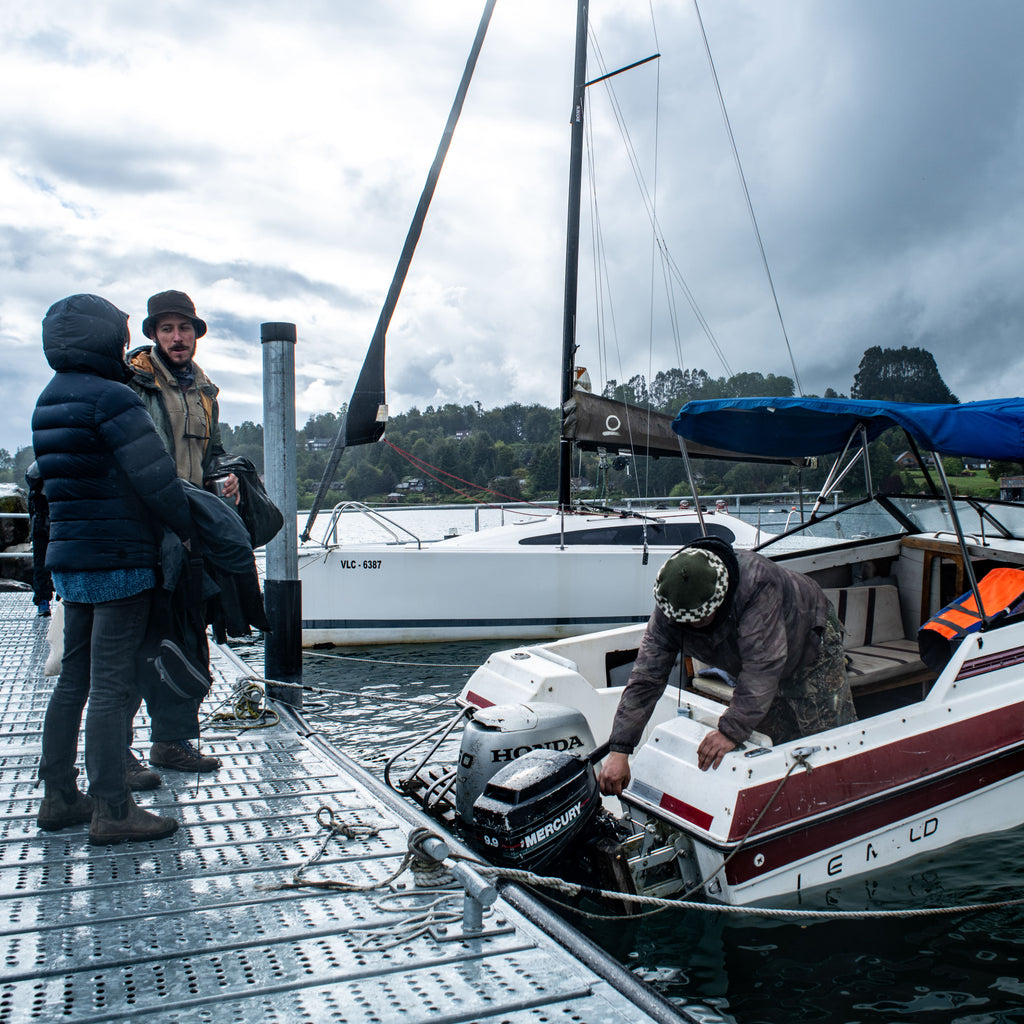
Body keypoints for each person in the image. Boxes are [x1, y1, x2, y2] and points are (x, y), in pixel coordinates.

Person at [31, 292, 193, 844]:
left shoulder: (49, 399)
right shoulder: (114, 399)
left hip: (72, 563)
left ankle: (58, 796)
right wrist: (189, 528)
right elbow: (156, 481)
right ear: (105, 339)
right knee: (110, 686)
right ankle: (112, 807)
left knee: (73, 679)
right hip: (119, 560)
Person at [598, 537, 857, 796]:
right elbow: (646, 677)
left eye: (697, 620)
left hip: (808, 640)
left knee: (828, 742)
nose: (687, 627)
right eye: (682, 621)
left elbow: (763, 665)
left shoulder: (757, 584)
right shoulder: (672, 600)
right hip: (755, 663)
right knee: (768, 740)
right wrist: (620, 749)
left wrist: (730, 732)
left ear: (720, 600)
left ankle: (845, 796)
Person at [123, 289, 233, 779]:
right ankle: (119, 749)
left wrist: (225, 475)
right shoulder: (133, 384)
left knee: (188, 638)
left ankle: (172, 742)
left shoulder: (206, 392)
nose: (177, 337)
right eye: (166, 329)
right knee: (136, 641)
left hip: (191, 533)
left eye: (184, 328)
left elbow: (215, 453)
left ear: (196, 334)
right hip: (146, 533)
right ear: (153, 337)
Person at [24, 462, 53, 616]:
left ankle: (44, 602)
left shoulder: (39, 464)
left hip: (45, 523)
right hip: (45, 524)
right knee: (41, 564)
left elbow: (29, 476)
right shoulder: (41, 464)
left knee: (41, 564)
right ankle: (43, 601)